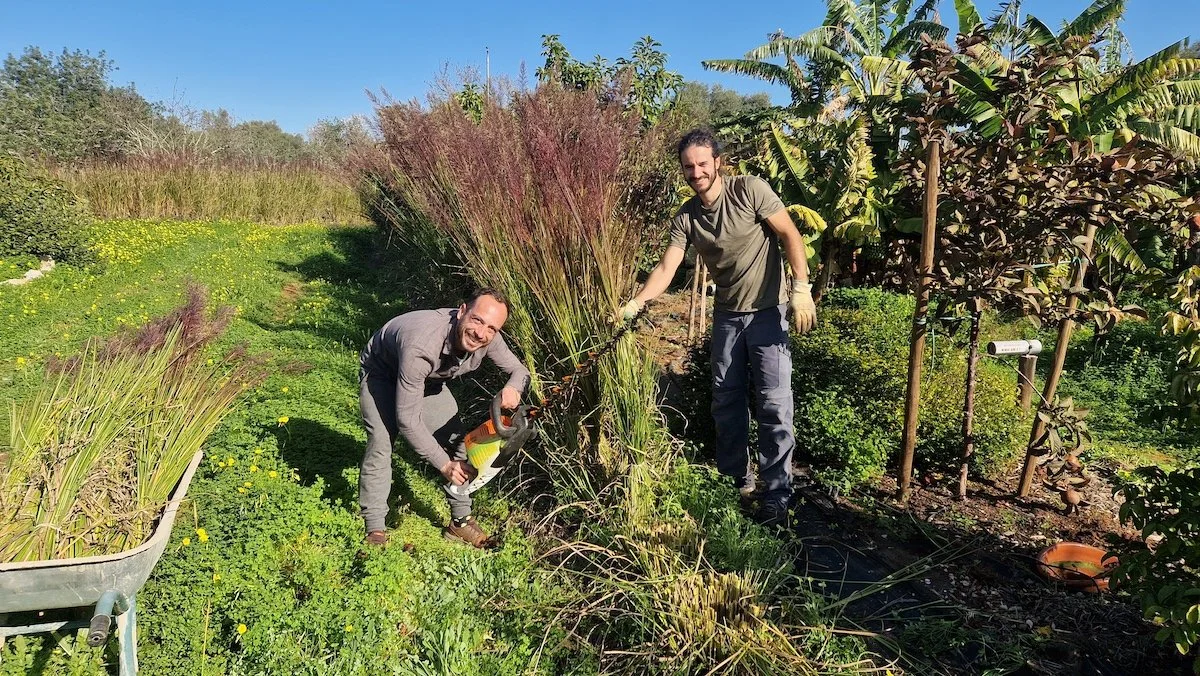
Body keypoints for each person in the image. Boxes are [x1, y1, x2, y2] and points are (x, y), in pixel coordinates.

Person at [619, 128, 816, 527]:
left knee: (774, 404)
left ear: (718, 163)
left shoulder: (749, 191)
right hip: (728, 315)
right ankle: (734, 481)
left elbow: (789, 233)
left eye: (702, 164)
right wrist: (637, 302)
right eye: (688, 167)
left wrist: (801, 287)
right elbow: (667, 267)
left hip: (768, 312)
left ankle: (777, 492)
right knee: (726, 401)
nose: (696, 173)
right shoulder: (687, 217)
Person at [358, 288, 531, 547]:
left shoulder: (488, 337)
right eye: (477, 320)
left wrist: (513, 389)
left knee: (460, 442)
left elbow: (519, 371)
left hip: (426, 381)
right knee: (381, 443)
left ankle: (460, 522)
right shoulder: (422, 345)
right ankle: (375, 530)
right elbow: (408, 420)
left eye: (492, 328)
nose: (481, 333)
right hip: (382, 374)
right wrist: (444, 464)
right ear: (461, 311)